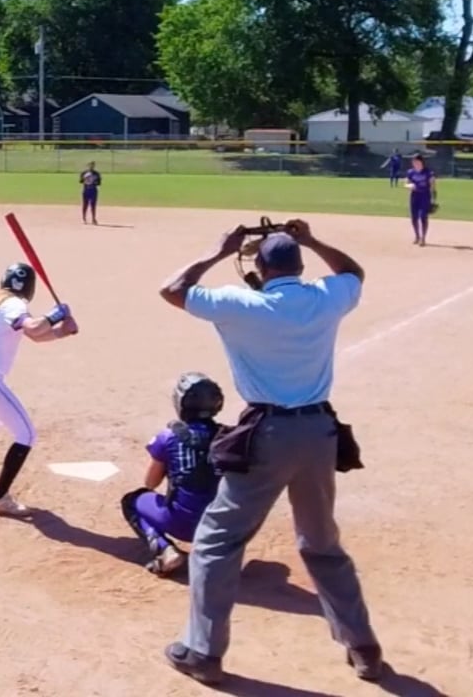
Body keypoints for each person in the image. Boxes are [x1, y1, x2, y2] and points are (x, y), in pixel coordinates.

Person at [156, 220, 384, 685]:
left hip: (268, 434)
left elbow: (173, 289)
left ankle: (202, 652)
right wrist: (312, 240)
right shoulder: (325, 296)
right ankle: (363, 646)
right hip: (319, 433)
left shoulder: (241, 303)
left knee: (217, 541)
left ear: (260, 268)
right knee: (321, 543)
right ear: (299, 265)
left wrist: (220, 250)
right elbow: (354, 273)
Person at [0, 262, 77, 517]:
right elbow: (35, 327)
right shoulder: (14, 304)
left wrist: (62, 331)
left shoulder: (2, 303)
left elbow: (34, 334)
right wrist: (55, 315)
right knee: (26, 435)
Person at [121, 372, 226, 577]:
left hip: (182, 524)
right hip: (223, 526)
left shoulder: (169, 436)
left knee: (132, 501)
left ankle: (164, 549)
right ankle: (225, 554)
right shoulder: (229, 437)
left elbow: (150, 483)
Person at [404, 152, 436, 246]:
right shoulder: (410, 172)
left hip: (425, 196)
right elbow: (405, 183)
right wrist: (409, 185)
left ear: (421, 162)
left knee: (423, 217)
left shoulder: (428, 172)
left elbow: (433, 187)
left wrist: (433, 199)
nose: (414, 163)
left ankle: (423, 238)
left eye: (416, 161)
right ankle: (417, 236)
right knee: (414, 218)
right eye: (413, 161)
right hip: (414, 196)